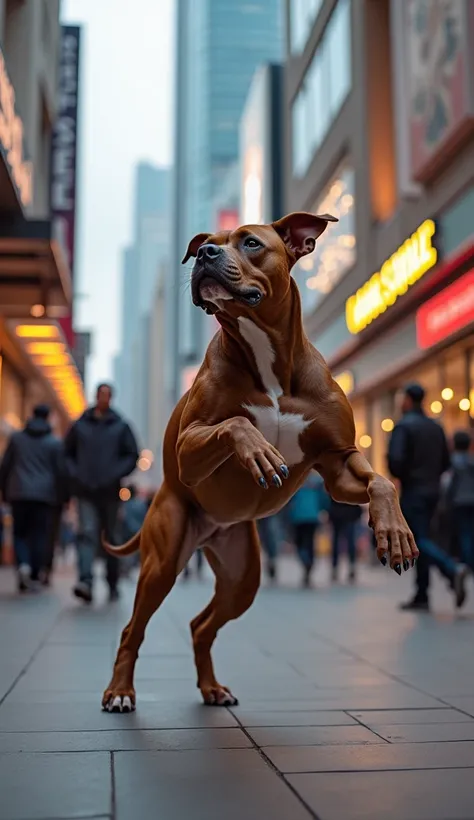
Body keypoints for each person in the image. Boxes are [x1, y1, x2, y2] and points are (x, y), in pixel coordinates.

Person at [388, 383, 468, 611]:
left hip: (414, 491)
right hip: (434, 492)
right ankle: (422, 593)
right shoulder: (436, 427)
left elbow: (396, 462)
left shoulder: (404, 427)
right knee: (422, 536)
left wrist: (407, 475)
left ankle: (452, 570)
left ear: (407, 400)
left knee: (416, 539)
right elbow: (446, 462)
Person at [64, 383, 139, 603]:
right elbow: (67, 453)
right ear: (96, 396)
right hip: (85, 490)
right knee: (86, 533)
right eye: (100, 395)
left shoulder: (121, 426)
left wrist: (114, 474)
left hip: (110, 493)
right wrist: (76, 474)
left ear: (111, 398)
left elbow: (132, 455)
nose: (103, 398)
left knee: (112, 538)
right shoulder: (80, 425)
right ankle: (85, 582)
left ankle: (112, 583)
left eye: (107, 395)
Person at [0, 404, 64, 592]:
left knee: (19, 533)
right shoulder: (54, 442)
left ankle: (23, 565)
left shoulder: (17, 439)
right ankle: (35, 573)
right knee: (39, 535)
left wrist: (4, 490)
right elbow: (60, 472)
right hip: (44, 496)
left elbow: (5, 466)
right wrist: (62, 496)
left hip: (18, 492)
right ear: (48, 417)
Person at [288, 472, 325, 587]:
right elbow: (322, 498)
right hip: (312, 516)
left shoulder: (296, 478)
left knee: (300, 542)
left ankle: (305, 560)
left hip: (298, 516)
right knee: (309, 542)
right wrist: (323, 510)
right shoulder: (317, 481)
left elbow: (289, 497)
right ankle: (309, 561)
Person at [446, 430, 474, 573]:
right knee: (470, 531)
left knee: (464, 533)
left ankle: (466, 561)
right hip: (471, 501)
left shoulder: (452, 462)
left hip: (458, 501)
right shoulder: (471, 460)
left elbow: (449, 483)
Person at [329, 499, 362, 583]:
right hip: (348, 514)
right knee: (350, 542)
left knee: (337, 543)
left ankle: (335, 568)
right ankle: (351, 567)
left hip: (338, 514)